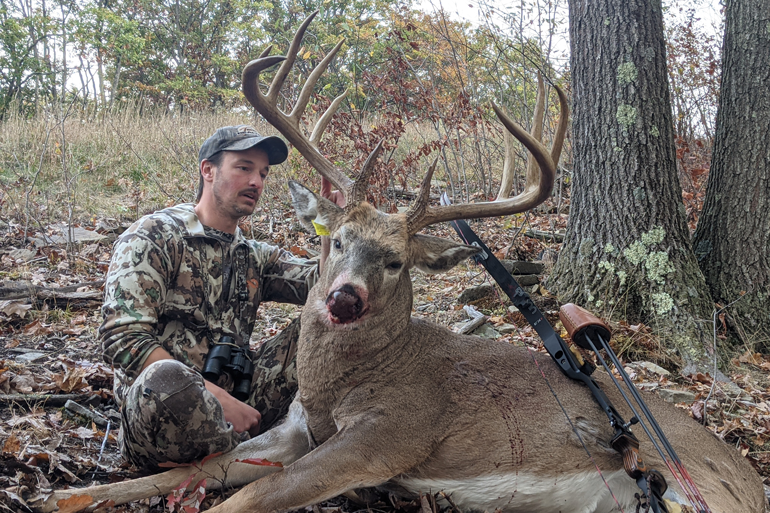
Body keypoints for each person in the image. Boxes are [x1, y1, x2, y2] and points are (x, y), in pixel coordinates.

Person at [100, 125, 342, 469]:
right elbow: (121, 336)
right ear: (208, 170)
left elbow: (327, 287)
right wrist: (217, 399)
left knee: (323, 324)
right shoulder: (156, 235)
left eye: (263, 173)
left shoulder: (254, 255)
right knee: (166, 375)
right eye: (244, 167)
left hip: (243, 408)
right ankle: (248, 458)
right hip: (164, 419)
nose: (257, 182)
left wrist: (330, 230)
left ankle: (264, 449)